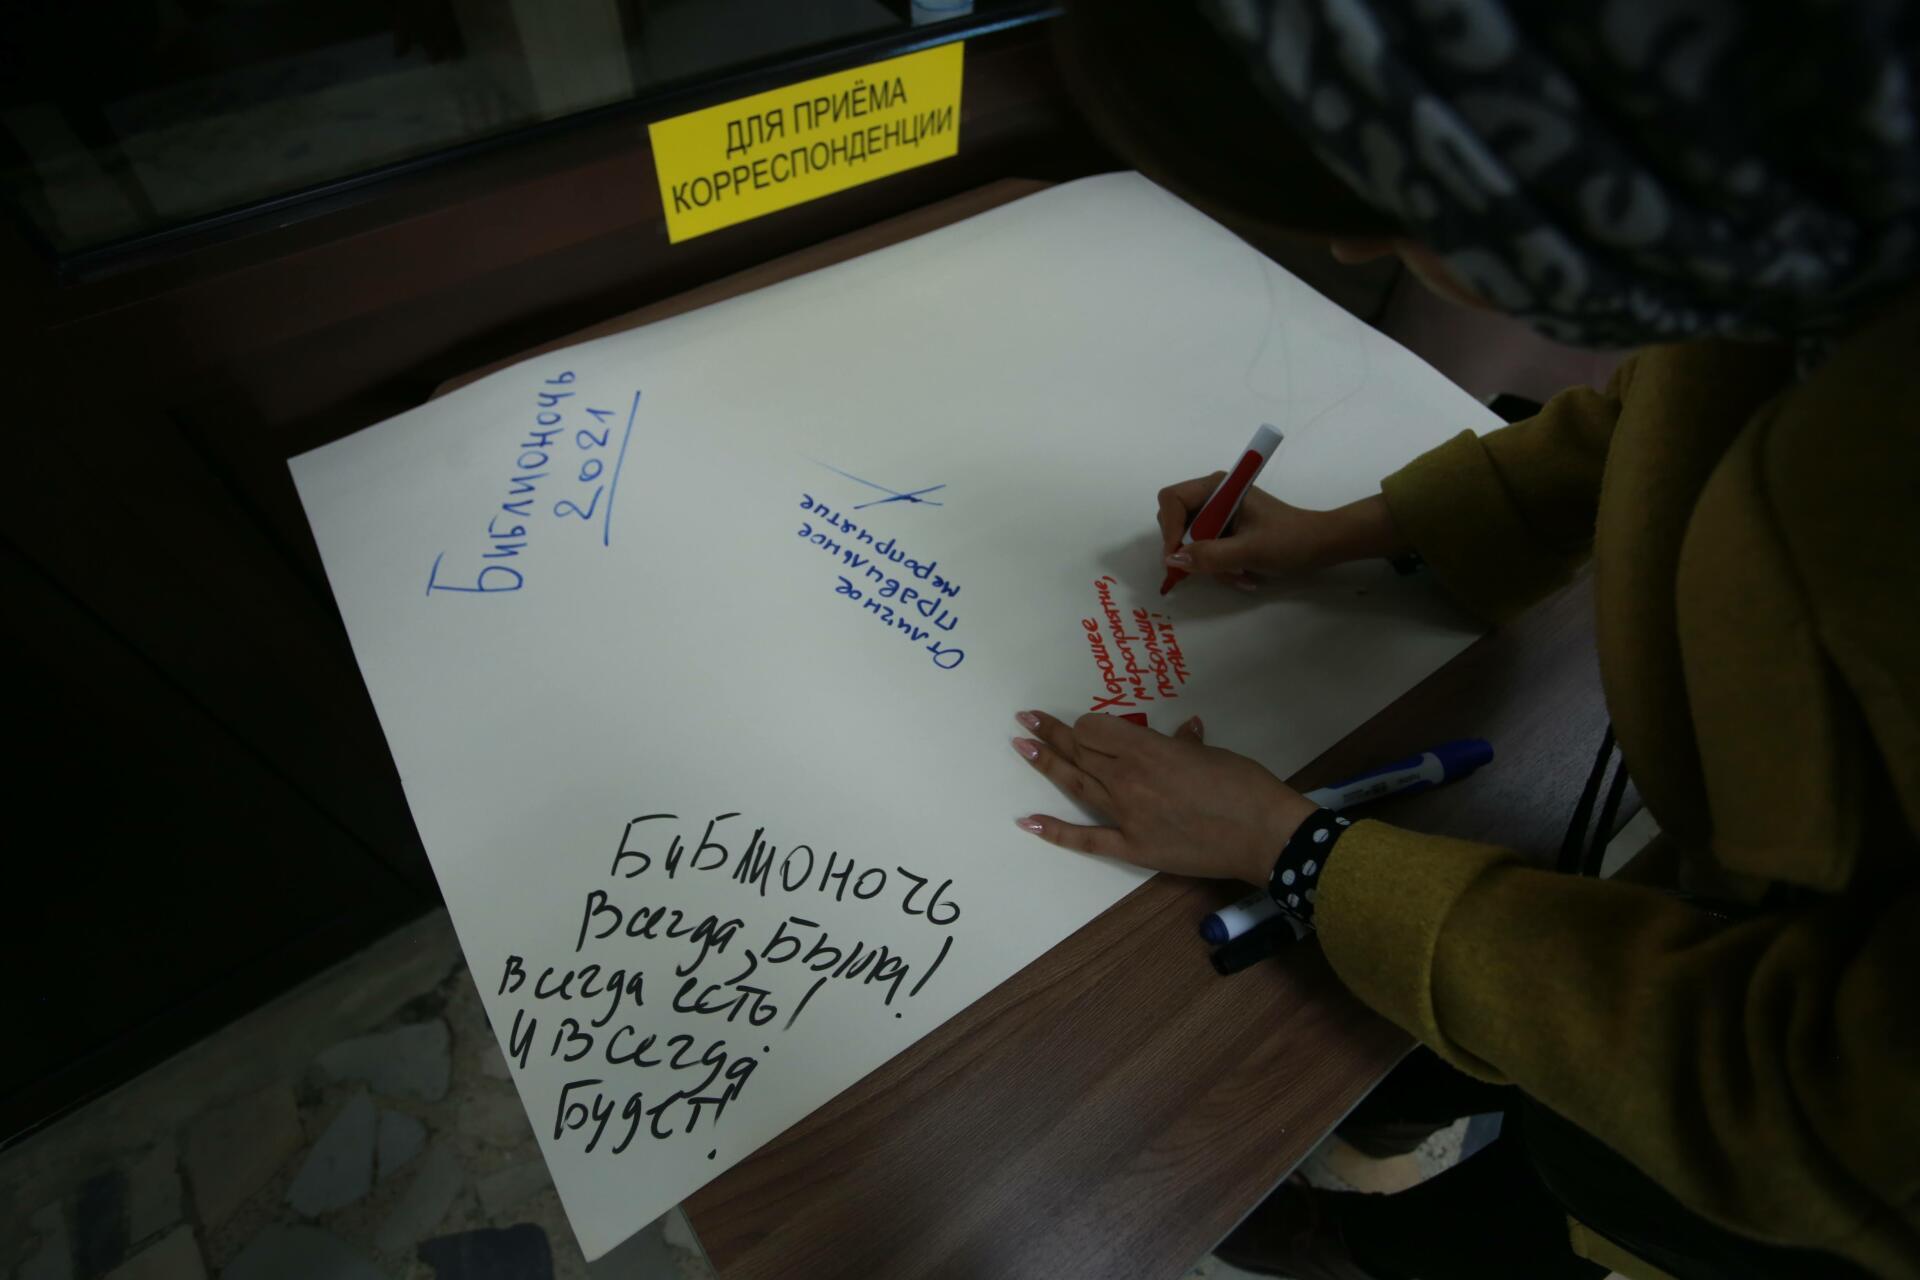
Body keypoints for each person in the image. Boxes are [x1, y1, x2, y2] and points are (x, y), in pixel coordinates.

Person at [1010, 4, 1920, 1278]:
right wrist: (1354, 530)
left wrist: (1293, 845)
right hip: (1698, 934)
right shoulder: (1826, 200)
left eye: (1390, 200)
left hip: (1783, 1195)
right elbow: (1676, 404)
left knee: (1535, 1212)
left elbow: (1827, 1107)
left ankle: (1376, 1231)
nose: (1348, 244)